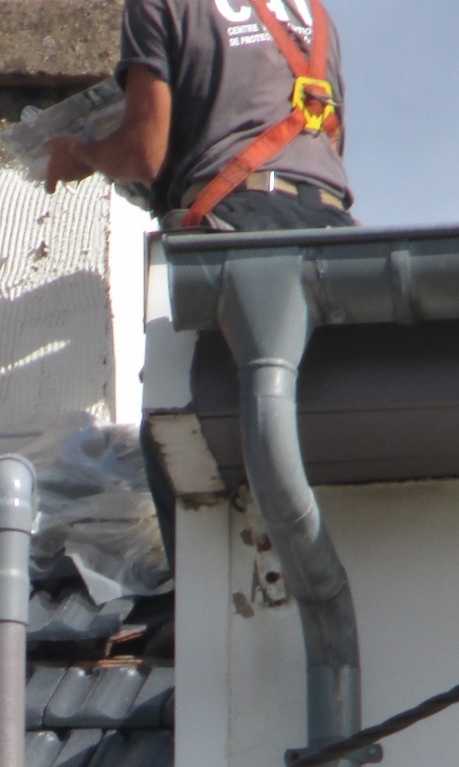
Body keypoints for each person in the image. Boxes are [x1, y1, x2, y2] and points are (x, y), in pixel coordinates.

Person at [45, 0, 356, 568]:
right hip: (334, 234)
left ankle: (190, 609)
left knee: (173, 427)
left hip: (238, 228)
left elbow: (142, 153)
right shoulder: (315, 15)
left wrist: (82, 153)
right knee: (324, 417)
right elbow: (326, 145)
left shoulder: (162, 5)